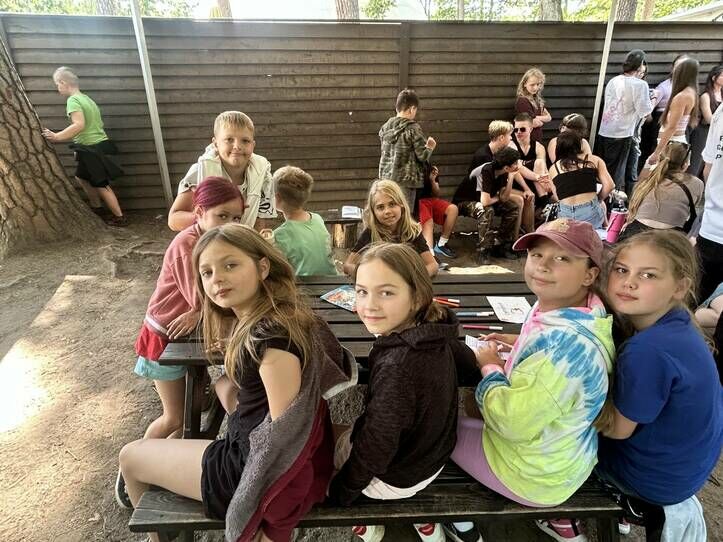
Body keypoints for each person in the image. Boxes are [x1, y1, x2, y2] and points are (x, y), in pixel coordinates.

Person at [119, 224, 356, 542]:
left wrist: (274, 526)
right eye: (207, 272)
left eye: (230, 265)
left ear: (262, 267)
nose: (217, 278)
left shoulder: (271, 343)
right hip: (246, 440)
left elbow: (287, 441)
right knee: (223, 385)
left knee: (130, 457)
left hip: (244, 470)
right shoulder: (276, 316)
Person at [452, 218, 614, 542]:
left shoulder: (561, 352)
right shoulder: (580, 310)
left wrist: (490, 367)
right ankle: (560, 520)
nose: (543, 265)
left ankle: (459, 523)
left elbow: (511, 421)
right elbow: (549, 353)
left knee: (435, 431)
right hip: (564, 457)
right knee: (470, 406)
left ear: (590, 274)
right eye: (537, 254)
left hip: (534, 476)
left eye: (562, 258)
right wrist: (516, 343)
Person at [329, 242, 480, 542]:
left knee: (321, 438)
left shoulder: (397, 367)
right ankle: (427, 525)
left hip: (398, 478)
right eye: (362, 291)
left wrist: (341, 493)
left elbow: (375, 447)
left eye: (386, 292)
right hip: (433, 456)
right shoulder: (436, 330)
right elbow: (468, 365)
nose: (369, 305)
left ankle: (366, 527)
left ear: (417, 297)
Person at [114, 177, 246, 508]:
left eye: (236, 217)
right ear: (198, 213)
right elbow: (205, 297)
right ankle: (132, 469)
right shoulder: (186, 245)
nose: (230, 223)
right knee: (174, 417)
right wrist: (204, 309)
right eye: (222, 215)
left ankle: (166, 466)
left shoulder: (217, 240)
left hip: (189, 338)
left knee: (192, 412)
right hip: (164, 339)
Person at [596, 230, 722, 542]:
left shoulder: (647, 350)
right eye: (622, 270)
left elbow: (617, 430)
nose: (629, 282)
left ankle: (563, 516)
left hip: (651, 481)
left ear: (680, 287)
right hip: (685, 472)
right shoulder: (678, 323)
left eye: (648, 275)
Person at [42, 66, 127, 226]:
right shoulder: (87, 99)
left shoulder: (73, 101)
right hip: (93, 146)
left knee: (101, 184)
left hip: (91, 147)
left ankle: (119, 217)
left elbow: (79, 125)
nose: (57, 88)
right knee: (81, 176)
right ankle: (97, 208)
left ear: (63, 82)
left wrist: (57, 136)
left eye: (57, 84)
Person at [167, 111, 275, 231]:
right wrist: (208, 217)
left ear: (253, 145)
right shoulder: (200, 171)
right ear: (215, 143)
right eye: (229, 139)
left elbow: (261, 220)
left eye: (245, 141)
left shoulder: (263, 173)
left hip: (243, 239)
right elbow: (173, 220)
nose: (237, 146)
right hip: (207, 240)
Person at [343, 180, 438, 277]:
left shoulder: (412, 232)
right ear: (373, 211)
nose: (387, 211)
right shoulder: (370, 233)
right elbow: (348, 265)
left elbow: (433, 265)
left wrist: (414, 279)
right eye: (380, 207)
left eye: (392, 204)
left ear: (401, 205)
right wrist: (367, 275)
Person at [597, 50, 653, 195]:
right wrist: (652, 99)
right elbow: (645, 112)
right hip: (622, 133)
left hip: (605, 130)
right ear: (639, 66)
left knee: (604, 171)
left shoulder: (614, 80)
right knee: (615, 174)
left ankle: (606, 200)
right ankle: (611, 203)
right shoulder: (640, 85)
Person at [620, 141, 703, 240]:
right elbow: (693, 207)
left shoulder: (650, 177)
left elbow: (636, 194)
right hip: (669, 237)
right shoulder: (696, 183)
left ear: (660, 159)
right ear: (685, 164)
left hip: (635, 232)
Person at [456, 148, 523, 265]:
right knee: (487, 210)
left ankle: (501, 245)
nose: (518, 165)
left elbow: (504, 197)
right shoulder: (486, 171)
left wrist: (511, 178)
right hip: (465, 201)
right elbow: (485, 202)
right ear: (506, 167)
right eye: (515, 163)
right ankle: (483, 250)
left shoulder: (503, 172)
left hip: (485, 200)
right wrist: (498, 197)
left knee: (512, 208)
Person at [271, 166, 336, 276]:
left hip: (305, 285)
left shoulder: (279, 235)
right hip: (333, 281)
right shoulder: (317, 218)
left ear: (277, 197)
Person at [378, 88, 437, 209]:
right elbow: (422, 156)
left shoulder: (384, 128)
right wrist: (430, 147)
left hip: (386, 180)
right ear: (412, 109)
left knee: (390, 213)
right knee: (405, 214)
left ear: (397, 108)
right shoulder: (413, 128)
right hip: (406, 181)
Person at [549, 131, 614, 229]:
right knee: (596, 225)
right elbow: (610, 185)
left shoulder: (554, 168)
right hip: (590, 211)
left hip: (565, 214)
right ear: (579, 144)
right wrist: (598, 199)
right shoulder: (593, 159)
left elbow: (558, 197)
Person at [640, 54, 690, 168]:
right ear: (672, 68)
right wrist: (650, 119)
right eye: (678, 66)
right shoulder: (664, 87)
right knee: (657, 161)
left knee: (678, 161)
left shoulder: (689, 89)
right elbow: (649, 108)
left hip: (682, 129)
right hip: (663, 125)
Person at [647, 57, 699, 166]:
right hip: (673, 143)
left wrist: (657, 153)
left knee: (648, 174)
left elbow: (672, 127)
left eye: (678, 67)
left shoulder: (682, 96)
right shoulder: (690, 92)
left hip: (671, 145)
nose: (674, 70)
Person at [698, 99, 723, 302]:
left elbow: (708, 168)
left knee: (691, 299)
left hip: (713, 225)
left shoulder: (721, 112)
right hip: (712, 228)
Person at [415, 162, 459, 259]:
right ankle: (431, 256)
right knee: (428, 222)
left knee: (453, 209)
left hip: (429, 200)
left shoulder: (430, 168)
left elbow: (437, 193)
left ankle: (441, 244)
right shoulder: (409, 167)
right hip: (415, 202)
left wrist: (432, 180)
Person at [688, 65, 723, 177]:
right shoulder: (706, 96)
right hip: (704, 132)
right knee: (697, 162)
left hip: (719, 133)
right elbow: (709, 119)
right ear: (714, 78)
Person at [509, 113, 550, 205]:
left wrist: (547, 180)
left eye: (522, 129)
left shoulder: (539, 147)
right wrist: (538, 177)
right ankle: (545, 204)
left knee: (540, 163)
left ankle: (546, 204)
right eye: (515, 129)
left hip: (537, 183)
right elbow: (517, 168)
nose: (518, 132)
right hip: (519, 182)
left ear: (531, 129)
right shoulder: (511, 146)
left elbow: (543, 168)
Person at [514, 68, 551, 143]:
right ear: (525, 84)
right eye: (532, 84)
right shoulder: (523, 101)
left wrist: (536, 117)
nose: (535, 88)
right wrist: (541, 119)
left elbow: (549, 117)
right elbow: (534, 123)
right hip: (527, 141)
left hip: (537, 139)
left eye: (538, 84)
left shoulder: (537, 100)